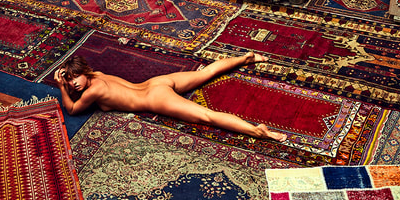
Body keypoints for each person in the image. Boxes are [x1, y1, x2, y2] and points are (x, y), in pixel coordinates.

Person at [55, 52, 288, 142]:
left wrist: (61, 87)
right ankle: (245, 58)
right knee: (205, 73)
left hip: (156, 97)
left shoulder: (93, 91)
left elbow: (72, 109)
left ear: (84, 71)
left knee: (207, 116)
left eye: (75, 78)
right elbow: (80, 89)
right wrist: (68, 83)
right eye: (70, 81)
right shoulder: (97, 75)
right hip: (156, 83)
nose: (74, 84)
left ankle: (257, 131)